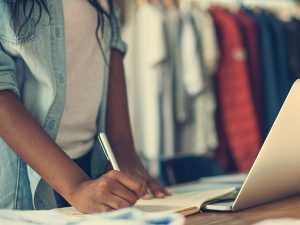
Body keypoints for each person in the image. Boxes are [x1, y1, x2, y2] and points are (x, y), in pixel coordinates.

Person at [0, 0, 169, 213]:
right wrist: (75, 186)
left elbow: (111, 48)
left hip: (91, 169)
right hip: (24, 183)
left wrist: (125, 156)